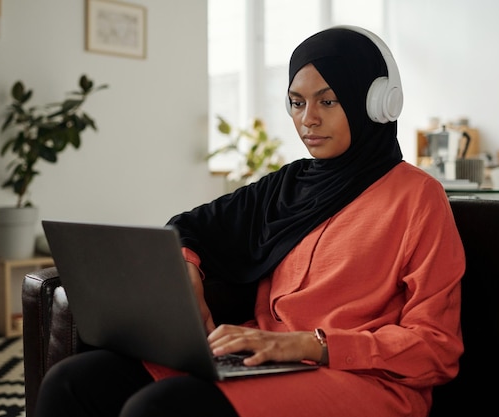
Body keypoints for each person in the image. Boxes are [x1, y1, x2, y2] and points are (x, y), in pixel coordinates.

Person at [34, 26, 465, 417]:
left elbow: (436, 349)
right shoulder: (286, 186)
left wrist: (311, 345)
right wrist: (187, 269)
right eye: (297, 103)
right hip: (263, 361)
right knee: (74, 382)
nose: (307, 119)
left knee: (163, 408)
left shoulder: (418, 198)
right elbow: (192, 226)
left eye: (328, 101)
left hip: (363, 381)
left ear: (376, 103)